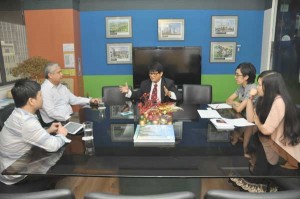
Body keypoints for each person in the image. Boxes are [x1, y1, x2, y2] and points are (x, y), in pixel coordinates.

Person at [0, 79, 68, 185]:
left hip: (11, 164)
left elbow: (28, 135)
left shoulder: (18, 113)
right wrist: (61, 134)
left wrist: (48, 130)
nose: (43, 98)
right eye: (40, 95)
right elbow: (52, 145)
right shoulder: (26, 122)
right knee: (62, 160)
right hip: (14, 174)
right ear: (31, 101)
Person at [246, 70, 300, 172]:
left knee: (257, 138)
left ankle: (260, 176)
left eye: (260, 85)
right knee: (256, 137)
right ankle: (259, 172)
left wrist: (257, 121)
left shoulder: (279, 102)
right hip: (269, 141)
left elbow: (266, 130)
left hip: (282, 149)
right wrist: (250, 98)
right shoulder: (264, 99)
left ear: (269, 87)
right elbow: (250, 119)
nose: (256, 87)